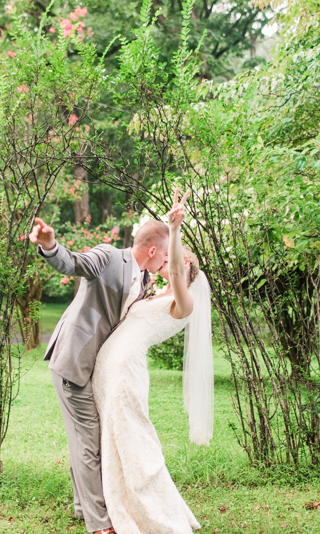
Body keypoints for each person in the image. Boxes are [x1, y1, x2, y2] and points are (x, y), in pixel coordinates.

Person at [29, 212, 170, 534]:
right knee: (89, 441)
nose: (165, 260)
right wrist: (50, 245)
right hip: (74, 361)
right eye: (165, 253)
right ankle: (99, 524)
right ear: (152, 250)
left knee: (88, 440)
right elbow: (72, 264)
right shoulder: (109, 257)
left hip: (96, 370)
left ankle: (83, 506)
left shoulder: (145, 279)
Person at [92, 188, 214, 533]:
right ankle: (114, 506)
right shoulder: (150, 291)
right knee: (115, 439)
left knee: (135, 441)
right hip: (108, 371)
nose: (166, 264)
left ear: (185, 264)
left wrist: (174, 231)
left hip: (126, 373)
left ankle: (151, 512)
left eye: (174, 260)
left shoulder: (184, 303)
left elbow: (175, 271)